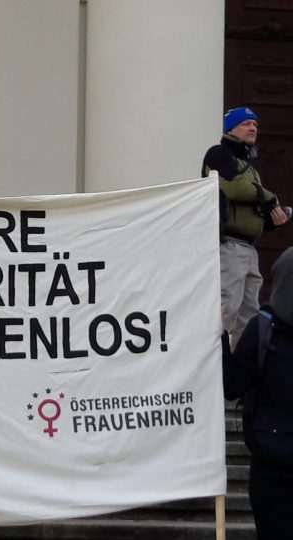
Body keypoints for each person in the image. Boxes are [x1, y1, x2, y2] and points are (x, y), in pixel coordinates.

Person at [202, 106, 290, 345]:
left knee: (249, 316)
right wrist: (270, 198)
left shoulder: (247, 166)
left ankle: (240, 364)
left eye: (255, 125)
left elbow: (246, 206)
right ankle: (213, 360)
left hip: (248, 248)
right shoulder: (218, 154)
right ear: (230, 128)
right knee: (225, 308)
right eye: (246, 124)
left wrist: (271, 219)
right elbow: (234, 188)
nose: (253, 128)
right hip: (228, 245)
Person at [221, 247, 293, 539]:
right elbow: (233, 385)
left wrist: (221, 339)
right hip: (271, 469)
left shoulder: (262, 328)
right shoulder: (263, 328)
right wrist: (220, 337)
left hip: (270, 463)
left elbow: (232, 385)